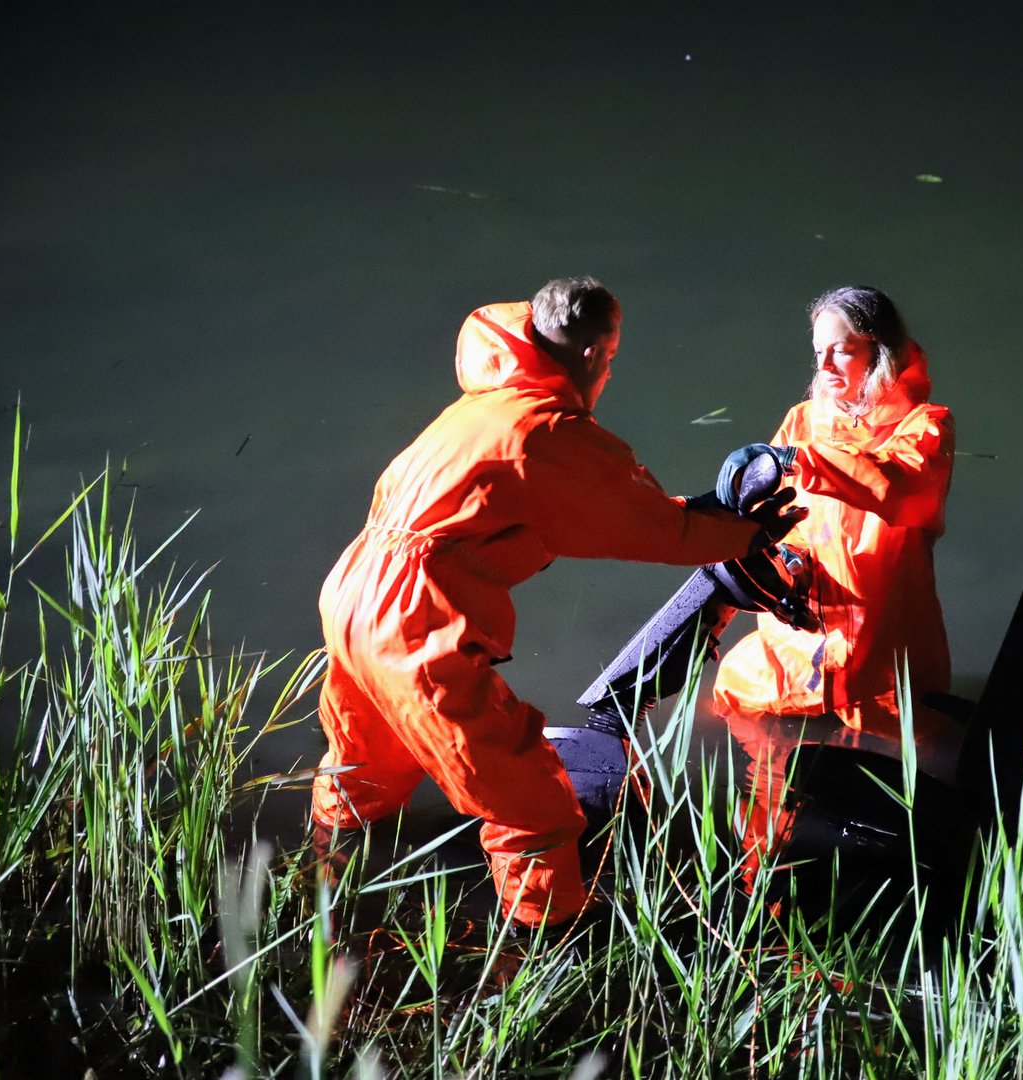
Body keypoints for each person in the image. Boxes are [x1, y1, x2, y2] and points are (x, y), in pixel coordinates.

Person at [310, 277, 802, 930]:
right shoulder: (548, 430)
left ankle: (318, 884)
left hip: (354, 592)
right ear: (599, 354)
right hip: (415, 622)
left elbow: (617, 513)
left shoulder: (482, 406)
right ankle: (542, 948)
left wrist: (706, 516)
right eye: (612, 361)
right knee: (531, 806)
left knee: (363, 757)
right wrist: (751, 532)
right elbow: (655, 530)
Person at [712, 286, 955, 737]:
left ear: (880, 353)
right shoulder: (804, 420)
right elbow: (787, 516)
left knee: (907, 741)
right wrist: (788, 568)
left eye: (841, 352)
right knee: (732, 698)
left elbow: (898, 483)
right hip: (806, 630)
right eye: (818, 351)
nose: (824, 367)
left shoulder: (926, 426)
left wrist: (795, 459)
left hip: (880, 642)